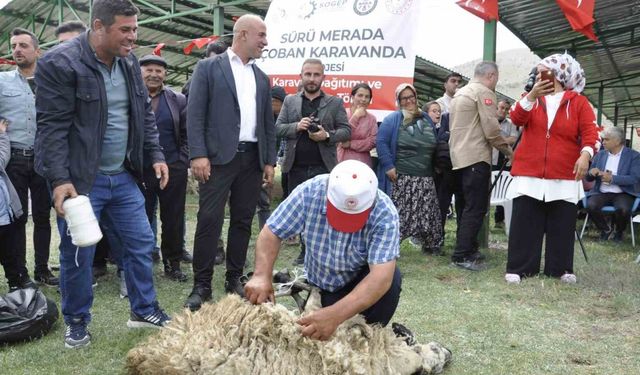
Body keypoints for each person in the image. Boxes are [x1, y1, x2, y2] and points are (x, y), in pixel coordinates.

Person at [34, 0, 172, 348]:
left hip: (123, 176)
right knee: (78, 252)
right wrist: (61, 180)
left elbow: (142, 115)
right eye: (125, 29)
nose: (133, 37)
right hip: (82, 181)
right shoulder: (60, 63)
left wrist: (154, 153)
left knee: (141, 245)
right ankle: (77, 321)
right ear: (98, 27)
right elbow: (51, 128)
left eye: (135, 29)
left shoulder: (127, 63)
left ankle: (143, 310)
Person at [245, 160, 401, 340]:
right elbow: (272, 232)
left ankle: (368, 335)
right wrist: (261, 275)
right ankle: (333, 313)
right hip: (322, 283)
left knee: (392, 281)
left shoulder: (384, 212)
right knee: (323, 333)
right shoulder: (311, 192)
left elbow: (380, 278)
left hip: (357, 283)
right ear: (329, 194)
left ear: (370, 202)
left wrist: (335, 314)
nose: (344, 226)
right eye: (340, 213)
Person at [184, 14, 277, 311]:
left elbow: (267, 123)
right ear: (243, 35)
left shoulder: (262, 78)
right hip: (218, 160)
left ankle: (234, 278)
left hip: (251, 159)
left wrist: (268, 161)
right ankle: (202, 285)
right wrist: (198, 154)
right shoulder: (209, 68)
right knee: (209, 220)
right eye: (261, 35)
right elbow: (195, 114)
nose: (265, 41)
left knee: (242, 221)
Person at [505, 53, 598, 284]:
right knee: (525, 221)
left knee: (562, 223)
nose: (538, 75)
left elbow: (591, 133)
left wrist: (585, 155)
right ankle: (519, 268)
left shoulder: (579, 103)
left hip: (563, 173)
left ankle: (561, 268)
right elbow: (516, 118)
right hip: (530, 172)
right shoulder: (530, 98)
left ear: (558, 74)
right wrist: (532, 96)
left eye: (543, 70)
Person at [276, 58, 351, 265]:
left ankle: (321, 251)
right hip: (296, 165)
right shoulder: (290, 101)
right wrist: (297, 126)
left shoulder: (334, 102)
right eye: (307, 74)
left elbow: (346, 130)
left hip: (323, 166)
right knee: (302, 211)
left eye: (316, 74)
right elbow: (278, 128)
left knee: (324, 210)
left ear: (323, 77)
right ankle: (304, 250)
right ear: (301, 76)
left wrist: (326, 135)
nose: (311, 78)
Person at [0, 28, 57, 287]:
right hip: (14, 158)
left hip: (44, 158)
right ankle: (20, 275)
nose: (17, 50)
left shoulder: (51, 81)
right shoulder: (2, 81)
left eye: (23, 45)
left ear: (37, 51)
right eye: (14, 46)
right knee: (18, 217)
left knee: (44, 215)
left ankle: (42, 270)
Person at [449, 61, 513, 271]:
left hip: (458, 157)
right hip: (476, 156)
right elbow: (492, 130)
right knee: (475, 208)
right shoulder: (484, 92)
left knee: (463, 206)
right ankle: (461, 255)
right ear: (491, 76)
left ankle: (468, 248)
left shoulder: (460, 93)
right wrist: (509, 152)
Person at [139, 54, 189, 281]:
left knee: (173, 218)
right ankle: (141, 261)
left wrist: (182, 160)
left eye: (159, 71)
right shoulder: (132, 97)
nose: (154, 74)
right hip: (141, 169)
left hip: (173, 168)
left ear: (165, 75)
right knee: (140, 217)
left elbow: (188, 133)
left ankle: (173, 263)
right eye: (149, 69)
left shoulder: (177, 100)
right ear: (139, 72)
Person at [377, 84, 443, 254]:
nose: (409, 101)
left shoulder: (426, 118)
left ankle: (430, 244)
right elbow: (381, 143)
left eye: (411, 96)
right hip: (402, 176)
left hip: (425, 175)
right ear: (399, 101)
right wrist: (389, 166)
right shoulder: (392, 119)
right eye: (404, 98)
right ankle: (391, 247)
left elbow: (433, 140)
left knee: (427, 211)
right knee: (400, 213)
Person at [585, 126, 640, 242]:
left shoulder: (634, 156)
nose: (603, 142)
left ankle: (619, 232)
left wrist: (612, 179)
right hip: (602, 192)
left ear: (617, 141)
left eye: (606, 139)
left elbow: (634, 178)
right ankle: (605, 229)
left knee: (623, 209)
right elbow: (588, 178)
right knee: (590, 205)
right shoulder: (600, 155)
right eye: (603, 139)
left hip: (623, 193)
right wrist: (591, 172)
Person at [0, 118, 27, 290]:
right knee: (8, 252)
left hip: (3, 216)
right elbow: (2, 156)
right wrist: (2, 135)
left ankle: (15, 285)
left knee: (8, 253)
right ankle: (15, 284)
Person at [492, 99, 519, 229]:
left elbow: (513, 139)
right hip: (490, 159)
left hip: (505, 160)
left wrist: (496, 140)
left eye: (506, 109)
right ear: (496, 107)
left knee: (504, 188)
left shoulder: (511, 124)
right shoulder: (490, 121)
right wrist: (504, 140)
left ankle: (500, 218)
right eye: (501, 107)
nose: (503, 111)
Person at [337, 83, 378, 168]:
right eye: (360, 95)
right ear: (352, 97)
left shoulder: (372, 119)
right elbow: (341, 137)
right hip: (342, 161)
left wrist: (350, 144)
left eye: (367, 97)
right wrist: (355, 117)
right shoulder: (342, 113)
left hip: (363, 163)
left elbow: (372, 142)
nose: (363, 99)